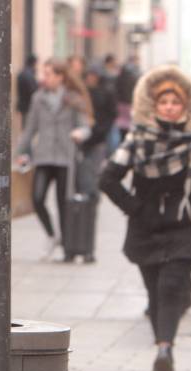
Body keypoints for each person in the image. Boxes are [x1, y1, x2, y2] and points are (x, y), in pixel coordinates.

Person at [100, 65, 191, 371]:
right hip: (146, 225)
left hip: (183, 223)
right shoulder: (139, 137)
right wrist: (134, 207)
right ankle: (162, 346)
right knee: (154, 291)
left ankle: (165, 349)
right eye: (164, 102)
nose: (170, 107)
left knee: (171, 286)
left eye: (176, 103)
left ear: (187, 107)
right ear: (154, 106)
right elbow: (108, 178)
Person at [16, 58, 93, 261]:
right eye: (44, 73)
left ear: (61, 76)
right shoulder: (38, 98)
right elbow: (30, 129)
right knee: (37, 198)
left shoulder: (73, 98)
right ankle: (52, 235)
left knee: (63, 203)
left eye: (49, 74)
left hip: (65, 157)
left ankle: (68, 248)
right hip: (43, 156)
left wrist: (79, 133)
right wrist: (18, 153)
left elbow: (86, 127)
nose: (44, 78)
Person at [76, 62, 117, 263]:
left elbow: (109, 118)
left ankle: (91, 193)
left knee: (91, 174)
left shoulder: (105, 93)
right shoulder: (82, 92)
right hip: (83, 140)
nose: (91, 77)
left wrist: (96, 134)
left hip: (96, 140)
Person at [115, 55, 141, 140]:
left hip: (121, 104)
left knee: (122, 128)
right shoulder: (135, 74)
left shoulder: (121, 74)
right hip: (129, 103)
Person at [16, 54, 39, 123]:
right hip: (28, 106)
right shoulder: (29, 75)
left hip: (24, 105)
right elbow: (33, 90)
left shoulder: (22, 73)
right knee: (28, 126)